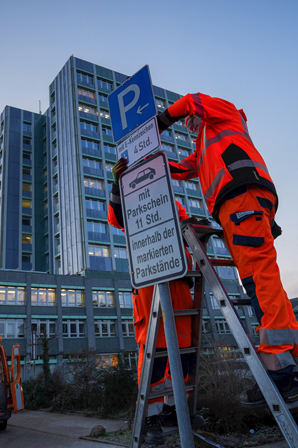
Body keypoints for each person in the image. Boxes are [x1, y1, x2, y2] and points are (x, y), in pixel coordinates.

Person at [155, 92, 298, 405]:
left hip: (242, 200)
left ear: (201, 115)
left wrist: (161, 121)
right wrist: (149, 167)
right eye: (186, 126)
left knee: (258, 279)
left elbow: (192, 99)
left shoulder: (225, 115)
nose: (190, 127)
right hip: (246, 204)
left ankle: (277, 366)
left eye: (190, 121)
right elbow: (182, 168)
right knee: (268, 283)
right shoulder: (206, 146)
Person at [108, 159, 203, 445]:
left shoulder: (170, 202)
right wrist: (118, 184)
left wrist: (194, 225)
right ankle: (151, 418)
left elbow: (187, 225)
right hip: (152, 292)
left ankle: (176, 411)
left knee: (184, 358)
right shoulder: (136, 203)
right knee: (155, 361)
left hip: (180, 292)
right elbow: (116, 218)